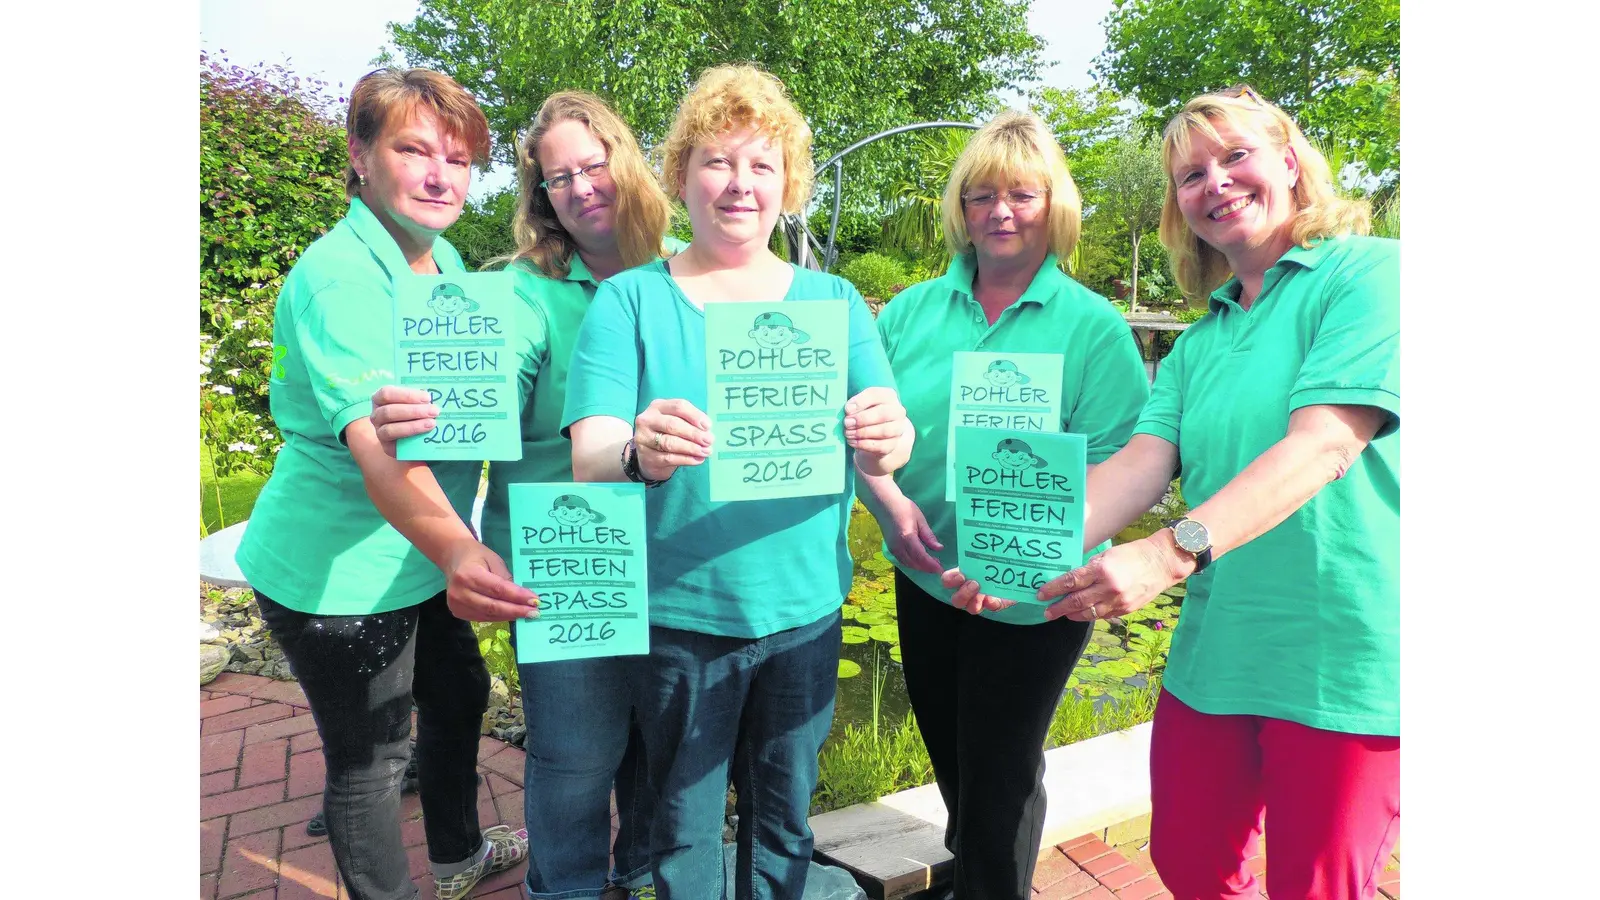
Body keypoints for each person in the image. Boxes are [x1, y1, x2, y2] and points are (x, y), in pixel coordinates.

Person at [951, 84, 1400, 899]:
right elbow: (1139, 467)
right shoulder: (1202, 340)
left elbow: (1326, 441)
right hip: (1218, 650)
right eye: (1190, 175)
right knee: (1189, 861)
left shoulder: (1372, 274)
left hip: (1345, 654)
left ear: (1292, 163)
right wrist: (1020, 551)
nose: (1215, 183)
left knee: (1316, 885)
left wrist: (1170, 550)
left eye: (1236, 157)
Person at [562, 63, 911, 900]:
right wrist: (638, 449)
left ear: (788, 183)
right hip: (680, 618)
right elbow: (591, 451)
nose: (740, 184)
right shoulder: (632, 302)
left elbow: (886, 431)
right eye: (717, 162)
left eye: (762, 165)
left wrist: (889, 438)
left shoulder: (834, 303)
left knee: (785, 817)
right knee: (681, 825)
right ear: (682, 176)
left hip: (803, 611)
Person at [369, 89, 685, 900]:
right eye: (557, 178)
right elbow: (480, 402)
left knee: (661, 746)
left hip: (681, 555)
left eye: (592, 165)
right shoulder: (516, 293)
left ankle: (646, 874)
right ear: (540, 197)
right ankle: (567, 889)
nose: (580, 188)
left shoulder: (693, 272)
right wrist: (430, 412)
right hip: (567, 552)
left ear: (629, 162)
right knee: (576, 756)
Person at [234, 67, 530, 900]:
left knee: (462, 689)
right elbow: (380, 453)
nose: (442, 175)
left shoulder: (443, 263)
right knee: (371, 758)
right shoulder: (341, 278)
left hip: (415, 551)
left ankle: (457, 857)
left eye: (461, 159)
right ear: (361, 156)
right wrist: (460, 550)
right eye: (413, 150)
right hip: (338, 571)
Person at [855, 110, 1149, 900]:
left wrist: (1020, 563)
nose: (1001, 212)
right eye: (981, 195)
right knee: (954, 760)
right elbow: (864, 431)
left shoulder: (1093, 329)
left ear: (1054, 205)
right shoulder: (913, 311)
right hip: (925, 577)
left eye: (1022, 193)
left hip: (1038, 600)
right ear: (960, 207)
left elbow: (1121, 468)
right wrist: (885, 506)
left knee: (1002, 779)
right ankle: (978, 880)